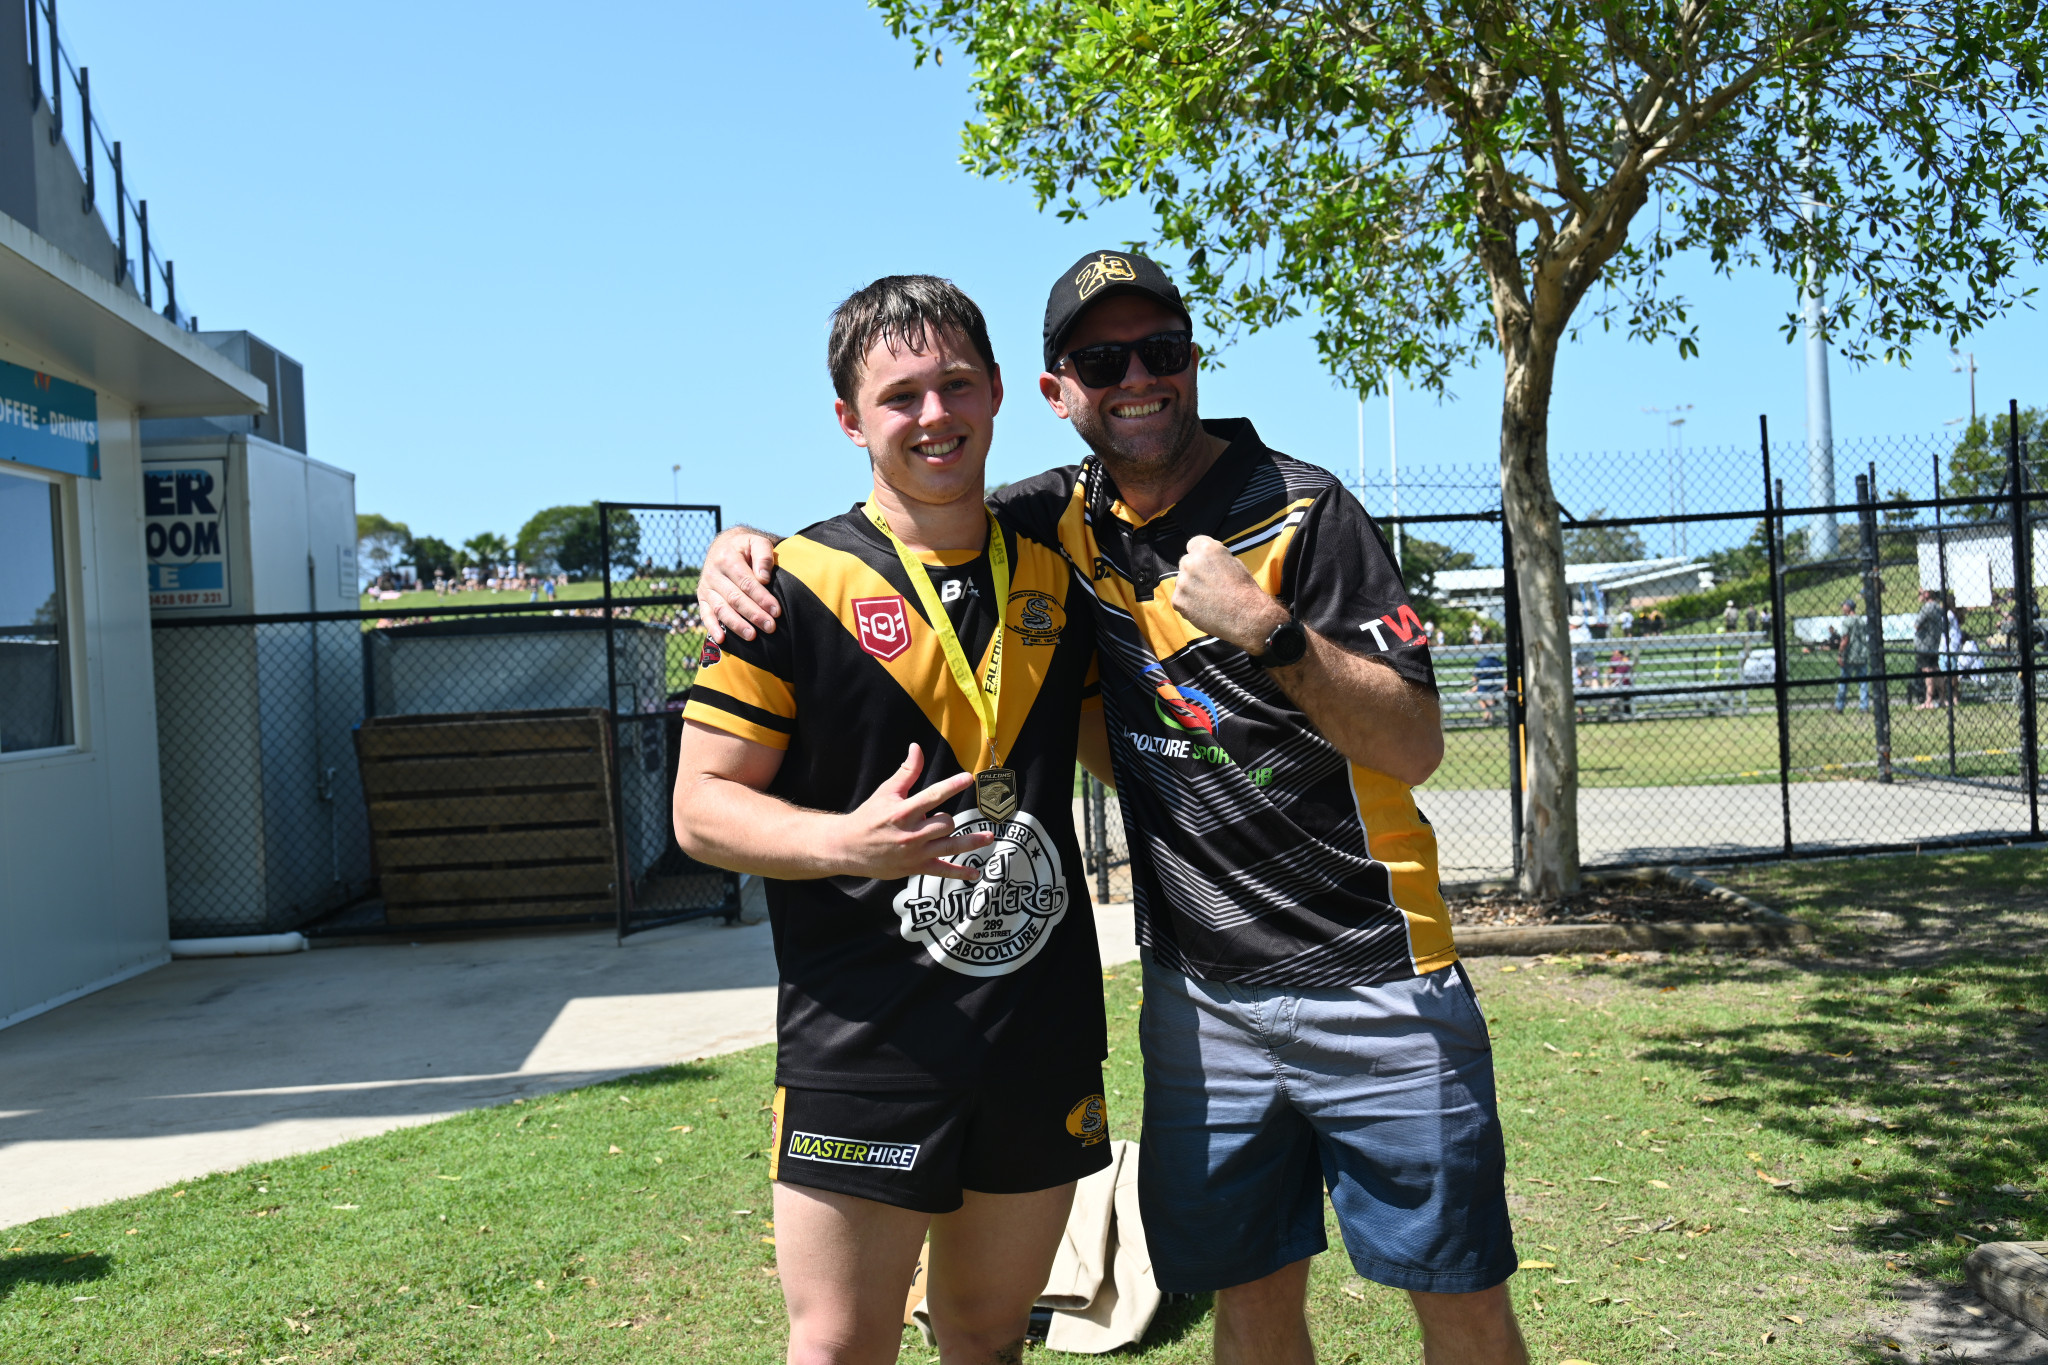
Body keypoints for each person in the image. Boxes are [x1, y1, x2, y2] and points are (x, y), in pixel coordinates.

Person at [701, 250, 1524, 1365]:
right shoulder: (1054, 523)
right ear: (1055, 393)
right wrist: (736, 546)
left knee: (1459, 1301)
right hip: (1198, 1006)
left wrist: (1264, 629)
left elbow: (1414, 745)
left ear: (1190, 361)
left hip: (1370, 975)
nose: (1136, 377)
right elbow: (906, 520)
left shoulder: (1299, 507)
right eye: (1101, 359)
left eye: (1160, 350)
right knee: (1248, 1296)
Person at [670, 276, 1110, 1365]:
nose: (932, 416)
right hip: (864, 1038)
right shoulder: (789, 587)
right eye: (899, 394)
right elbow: (699, 808)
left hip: (1036, 1028)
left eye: (955, 384)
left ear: (1001, 391)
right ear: (848, 420)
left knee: (987, 1334)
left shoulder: (1062, 572)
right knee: (836, 1345)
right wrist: (845, 845)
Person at [1837, 598, 1871, 713]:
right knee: (1863, 683)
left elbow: (1845, 639)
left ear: (1848, 607)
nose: (1842, 608)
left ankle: (1839, 706)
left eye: (1844, 606)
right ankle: (1864, 706)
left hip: (1850, 656)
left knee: (1844, 682)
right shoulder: (1861, 620)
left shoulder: (1847, 622)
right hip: (1862, 654)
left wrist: (1840, 654)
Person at [1914, 587, 1945, 708]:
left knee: (1928, 672)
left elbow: (1916, 625)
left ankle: (1929, 700)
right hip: (1934, 644)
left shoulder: (1927, 607)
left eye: (1921, 592)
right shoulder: (1938, 607)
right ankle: (1942, 698)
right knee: (1936, 670)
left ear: (1927, 594)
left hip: (1924, 645)